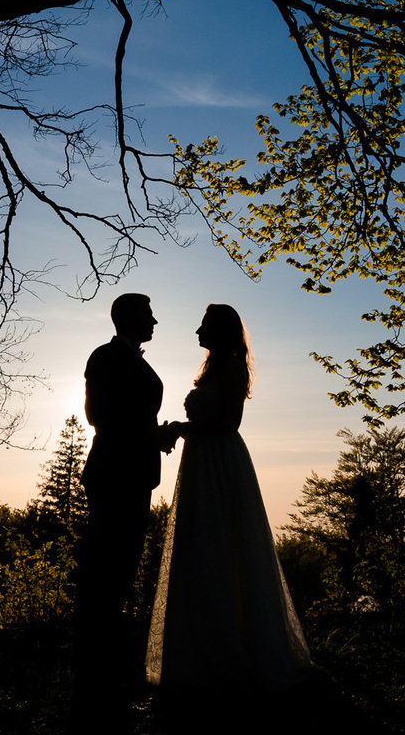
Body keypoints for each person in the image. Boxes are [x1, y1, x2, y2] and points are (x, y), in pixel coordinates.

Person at [145, 304, 316, 688]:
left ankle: (234, 650)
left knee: (222, 547)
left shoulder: (233, 366)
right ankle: (202, 646)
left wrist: (179, 428)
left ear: (220, 330)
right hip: (203, 461)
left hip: (221, 462)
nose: (197, 331)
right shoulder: (213, 367)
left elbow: (229, 422)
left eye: (203, 324)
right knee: (200, 549)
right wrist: (183, 431)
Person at [77, 293, 175, 676]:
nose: (154, 322)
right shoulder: (105, 357)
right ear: (129, 318)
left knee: (122, 565)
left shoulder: (131, 358)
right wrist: (148, 437)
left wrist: (155, 435)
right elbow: (98, 414)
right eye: (149, 315)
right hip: (114, 473)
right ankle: (94, 657)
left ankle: (105, 656)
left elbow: (130, 415)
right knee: (106, 565)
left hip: (135, 474)